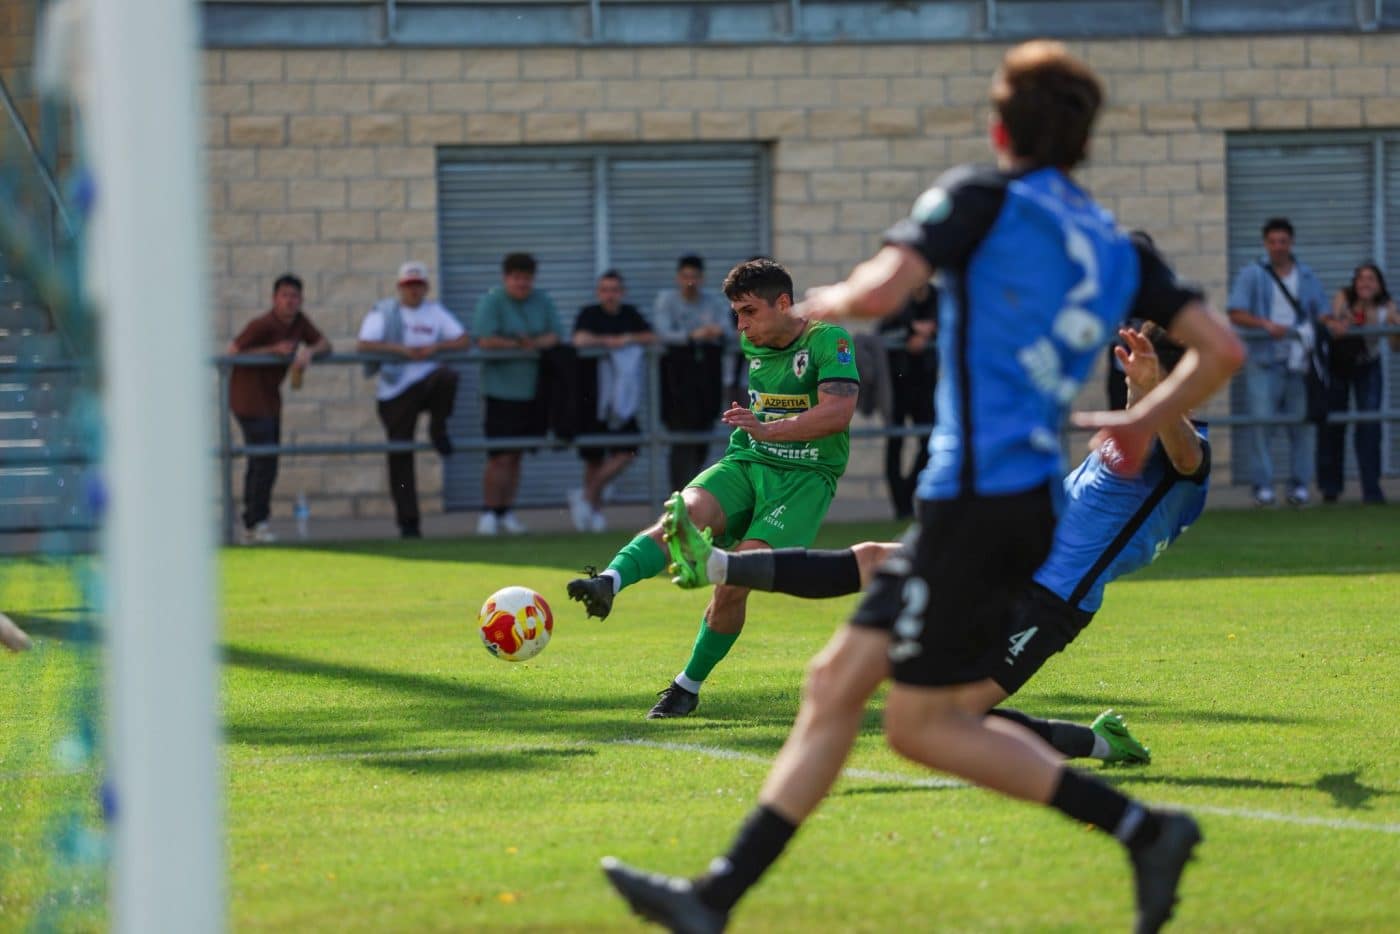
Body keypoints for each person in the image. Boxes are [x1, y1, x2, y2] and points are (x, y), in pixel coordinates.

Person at [600, 40, 1244, 934]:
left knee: (919, 725)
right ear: (1085, 140)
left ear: (997, 125)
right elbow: (1226, 350)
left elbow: (880, 291)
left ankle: (1141, 827)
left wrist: (811, 307)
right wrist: (1147, 414)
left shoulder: (977, 198)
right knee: (842, 688)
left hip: (979, 499)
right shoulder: (1117, 244)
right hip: (1017, 509)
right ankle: (713, 897)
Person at [662, 323, 1206, 774]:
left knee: (946, 718)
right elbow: (1142, 415)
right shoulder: (1139, 425)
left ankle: (1101, 746)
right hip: (1009, 554)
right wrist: (1143, 388)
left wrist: (1158, 392)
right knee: (879, 559)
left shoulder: (1187, 451)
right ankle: (716, 562)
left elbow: (1185, 459)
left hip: (1051, 598)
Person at [567, 258, 860, 719]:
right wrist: (757, 432)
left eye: (749, 311)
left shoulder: (830, 341)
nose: (741, 326)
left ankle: (686, 687)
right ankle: (608, 581)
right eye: (735, 314)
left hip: (803, 480)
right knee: (683, 512)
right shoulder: (753, 341)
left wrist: (769, 428)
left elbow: (837, 414)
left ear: (783, 303)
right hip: (747, 461)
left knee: (734, 578)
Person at [356, 261, 469, 539]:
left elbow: (463, 340)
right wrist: (400, 350)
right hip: (394, 391)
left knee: (448, 376)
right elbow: (364, 344)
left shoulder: (434, 311)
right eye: (408, 286)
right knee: (400, 453)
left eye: (418, 285)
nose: (413, 291)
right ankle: (408, 523)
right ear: (399, 288)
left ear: (426, 287)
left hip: (426, 384)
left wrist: (436, 347)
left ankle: (437, 427)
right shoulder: (384, 311)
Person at [1227, 218, 1328, 507]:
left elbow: (1321, 311)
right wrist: (1265, 325)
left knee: (1302, 426)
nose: (1278, 247)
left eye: (1283, 241)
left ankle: (1299, 486)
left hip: (1300, 363)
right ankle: (1263, 486)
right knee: (1262, 426)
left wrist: (1333, 322)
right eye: (1273, 242)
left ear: (1291, 243)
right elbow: (1236, 312)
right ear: (1265, 244)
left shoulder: (1306, 275)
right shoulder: (1252, 274)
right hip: (1263, 361)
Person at [226, 273, 330, 544]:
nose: (289, 301)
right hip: (247, 399)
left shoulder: (300, 322)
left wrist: (309, 353)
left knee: (268, 462)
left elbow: (324, 343)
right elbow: (232, 352)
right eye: (284, 296)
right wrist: (271, 350)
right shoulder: (261, 324)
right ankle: (253, 523)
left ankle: (255, 524)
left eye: (294, 296)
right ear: (274, 299)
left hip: (271, 401)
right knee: (262, 461)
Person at [472, 252, 566, 536]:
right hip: (501, 392)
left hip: (534, 392)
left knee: (517, 456)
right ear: (506, 278)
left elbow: (556, 335)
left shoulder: (543, 300)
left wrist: (532, 343)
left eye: (526, 278)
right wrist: (518, 344)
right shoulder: (492, 301)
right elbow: (485, 339)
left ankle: (506, 511)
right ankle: (489, 511)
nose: (521, 283)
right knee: (498, 456)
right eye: (516, 278)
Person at [570, 270, 655, 532]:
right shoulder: (589, 314)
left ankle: (585, 496)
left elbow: (651, 337)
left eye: (615, 289)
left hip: (623, 401)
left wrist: (626, 339)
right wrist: (607, 342)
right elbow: (579, 340)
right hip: (593, 396)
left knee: (627, 451)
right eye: (605, 289)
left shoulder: (630, 314)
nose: (610, 294)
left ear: (622, 292)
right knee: (594, 457)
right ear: (599, 292)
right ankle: (592, 513)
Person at [1318, 263, 1399, 504]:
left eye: (1371, 279)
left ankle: (1371, 491)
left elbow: (1395, 347)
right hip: (1339, 366)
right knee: (1333, 425)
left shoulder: (1387, 306)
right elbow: (1336, 325)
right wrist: (1348, 317)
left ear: (1380, 284)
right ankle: (1330, 490)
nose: (1365, 283)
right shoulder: (1343, 297)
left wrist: (1394, 328)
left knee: (1369, 426)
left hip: (1368, 365)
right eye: (1361, 278)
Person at [652, 255, 733, 493]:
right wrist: (692, 336)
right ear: (679, 278)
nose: (690, 282)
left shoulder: (713, 302)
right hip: (676, 379)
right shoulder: (667, 301)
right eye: (686, 277)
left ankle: (691, 494)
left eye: (695, 277)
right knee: (680, 439)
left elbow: (727, 330)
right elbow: (662, 332)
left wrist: (713, 331)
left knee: (703, 435)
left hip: (706, 378)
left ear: (702, 278)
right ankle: (677, 495)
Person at [878, 282, 938, 519]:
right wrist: (910, 332)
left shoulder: (939, 299)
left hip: (926, 383)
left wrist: (930, 333)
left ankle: (908, 491)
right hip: (898, 383)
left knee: (930, 442)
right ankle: (901, 506)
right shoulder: (896, 298)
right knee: (895, 443)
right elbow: (882, 333)